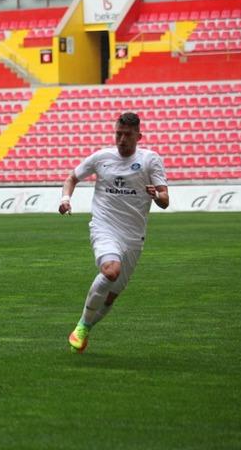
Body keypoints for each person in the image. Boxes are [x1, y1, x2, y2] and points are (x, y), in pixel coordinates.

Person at [59, 112, 169, 353]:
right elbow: (71, 178)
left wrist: (156, 194)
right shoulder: (102, 157)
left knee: (110, 296)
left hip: (133, 236)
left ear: (139, 136)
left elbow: (165, 200)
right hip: (104, 226)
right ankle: (81, 326)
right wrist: (66, 199)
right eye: (118, 134)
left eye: (127, 135)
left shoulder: (150, 160)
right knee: (111, 271)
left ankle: (86, 327)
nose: (121, 139)